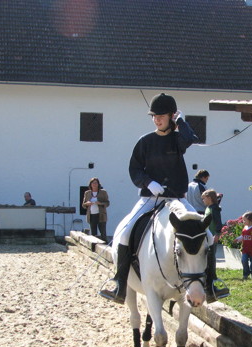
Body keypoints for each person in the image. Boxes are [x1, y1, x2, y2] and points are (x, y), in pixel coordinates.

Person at [99, 93, 199, 304]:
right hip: (150, 199)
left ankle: (212, 282)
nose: (156, 119)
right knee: (125, 233)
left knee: (204, 232)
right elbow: (134, 169)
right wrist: (147, 183)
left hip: (176, 199)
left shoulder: (177, 140)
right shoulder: (145, 142)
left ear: (171, 116)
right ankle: (119, 283)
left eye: (161, 115)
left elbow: (189, 139)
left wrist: (181, 120)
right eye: (154, 116)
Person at [202, 189, 230, 302]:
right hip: (207, 236)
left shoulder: (214, 209)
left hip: (212, 236)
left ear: (209, 198)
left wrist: (217, 234)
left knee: (211, 259)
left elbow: (218, 222)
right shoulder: (208, 208)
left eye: (204, 198)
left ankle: (212, 281)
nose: (203, 200)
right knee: (207, 259)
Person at [82, 177, 110, 242]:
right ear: (90, 184)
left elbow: (107, 203)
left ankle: (105, 245)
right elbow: (83, 205)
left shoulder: (103, 192)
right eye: (93, 183)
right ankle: (93, 248)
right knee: (93, 234)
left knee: (103, 233)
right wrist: (87, 203)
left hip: (101, 215)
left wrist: (100, 203)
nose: (94, 184)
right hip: (91, 215)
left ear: (98, 184)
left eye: (96, 183)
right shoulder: (87, 193)